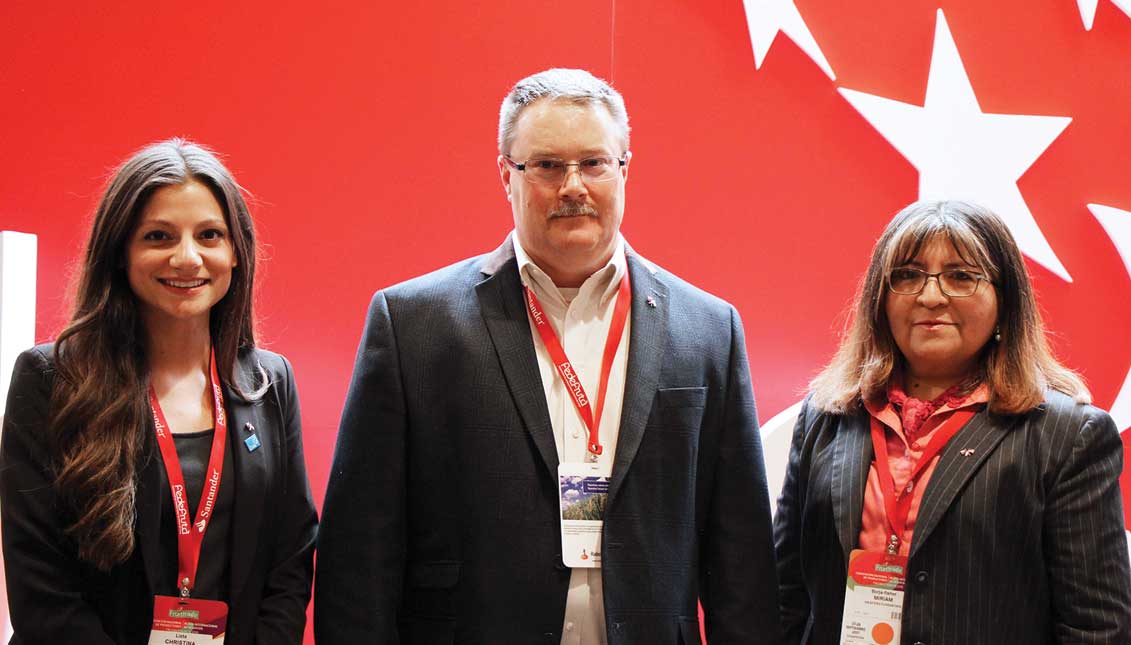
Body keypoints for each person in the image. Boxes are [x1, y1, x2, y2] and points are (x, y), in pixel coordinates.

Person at [315, 68, 781, 644]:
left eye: (593, 163)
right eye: (547, 165)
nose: (573, 186)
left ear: (624, 170)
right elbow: (359, 551)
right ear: (505, 176)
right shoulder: (414, 324)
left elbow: (742, 561)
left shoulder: (709, 329)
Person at [0, 139, 318, 644]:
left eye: (210, 235)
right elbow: (40, 583)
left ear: (236, 253)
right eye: (159, 236)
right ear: (121, 253)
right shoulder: (51, 380)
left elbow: (290, 558)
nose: (187, 258)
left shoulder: (270, 382)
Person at [774, 200, 1131, 644]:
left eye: (961, 276)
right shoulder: (826, 416)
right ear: (879, 301)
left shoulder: (1067, 436)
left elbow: (1096, 628)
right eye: (907, 274)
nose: (930, 295)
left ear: (1005, 302)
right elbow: (785, 598)